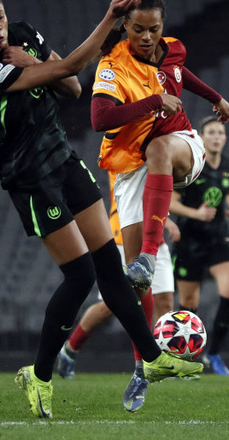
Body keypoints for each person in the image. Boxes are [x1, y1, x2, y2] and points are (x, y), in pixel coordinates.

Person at [0, 0, 202, 419]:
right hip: (31, 176)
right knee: (80, 275)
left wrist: (35, 60)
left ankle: (151, 357)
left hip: (64, 160)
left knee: (109, 266)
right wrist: (109, 17)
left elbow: (71, 86)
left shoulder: (25, 36)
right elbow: (70, 66)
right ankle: (40, 374)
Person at [89, 0, 229, 409]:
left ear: (162, 26)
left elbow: (180, 73)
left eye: (154, 28)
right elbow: (100, 118)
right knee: (137, 288)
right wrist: (154, 100)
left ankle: (149, 256)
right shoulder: (113, 65)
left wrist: (214, 98)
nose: (147, 37)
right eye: (137, 29)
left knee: (158, 149)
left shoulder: (172, 48)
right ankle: (142, 367)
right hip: (130, 169)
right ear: (125, 27)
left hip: (181, 145)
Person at [55, 171, 180, 410]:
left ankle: (161, 363)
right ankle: (69, 350)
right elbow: (139, 191)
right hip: (126, 234)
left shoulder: (154, 146)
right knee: (110, 305)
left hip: (155, 239)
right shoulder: (126, 148)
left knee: (165, 301)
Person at [169, 115, 229, 376]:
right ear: (201, 137)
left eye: (220, 133)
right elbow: (171, 202)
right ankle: (188, 359)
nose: (216, 137)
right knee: (189, 304)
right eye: (211, 132)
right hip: (190, 240)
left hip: (218, 238)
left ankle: (214, 353)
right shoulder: (191, 166)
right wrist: (195, 214)